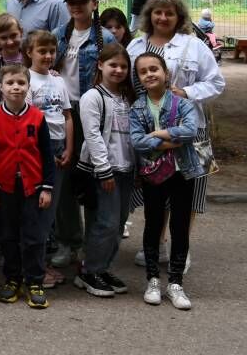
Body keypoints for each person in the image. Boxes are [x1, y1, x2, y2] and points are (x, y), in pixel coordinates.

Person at [125, 0, 224, 269]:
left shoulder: (194, 45)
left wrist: (187, 91)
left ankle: (183, 246)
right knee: (155, 187)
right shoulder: (135, 46)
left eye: (169, 13)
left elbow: (216, 83)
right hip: (151, 130)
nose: (163, 17)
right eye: (158, 12)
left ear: (179, 17)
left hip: (191, 130)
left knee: (189, 192)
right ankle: (158, 244)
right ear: (149, 15)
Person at [129, 51, 206, 311]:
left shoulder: (182, 103)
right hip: (153, 174)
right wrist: (170, 142)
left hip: (183, 171)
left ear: (165, 73)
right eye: (143, 71)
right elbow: (137, 141)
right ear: (139, 78)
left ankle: (175, 282)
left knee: (180, 224)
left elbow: (190, 130)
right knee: (153, 223)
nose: (150, 74)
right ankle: (152, 279)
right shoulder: (138, 107)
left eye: (154, 68)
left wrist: (158, 134)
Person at [50, 0, 115, 274]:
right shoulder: (59, 35)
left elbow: (117, 73)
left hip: (93, 110)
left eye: (82, 2)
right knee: (63, 177)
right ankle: (68, 240)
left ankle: (92, 242)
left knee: (90, 178)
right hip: (63, 113)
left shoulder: (106, 38)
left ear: (94, 4)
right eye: (71, 2)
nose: (76, 7)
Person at [0, 63, 54, 310]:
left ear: (28, 87)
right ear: (1, 87)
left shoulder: (37, 117)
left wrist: (47, 187)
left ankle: (35, 281)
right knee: (7, 236)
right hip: (4, 188)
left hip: (33, 187)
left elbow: (46, 154)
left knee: (34, 237)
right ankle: (12, 279)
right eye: (10, 83)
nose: (16, 87)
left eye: (21, 83)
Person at [74, 44, 136, 300]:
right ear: (100, 65)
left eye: (123, 66)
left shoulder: (128, 98)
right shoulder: (93, 97)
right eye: (113, 65)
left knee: (119, 223)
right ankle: (90, 270)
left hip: (126, 169)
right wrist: (104, 170)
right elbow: (93, 136)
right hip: (103, 171)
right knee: (105, 223)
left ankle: (103, 267)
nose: (118, 70)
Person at [23, 30, 73, 289]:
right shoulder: (26, 80)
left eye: (51, 51)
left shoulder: (58, 80)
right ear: (29, 52)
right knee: (38, 210)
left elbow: (66, 116)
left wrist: (69, 148)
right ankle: (34, 266)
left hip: (58, 147)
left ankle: (41, 261)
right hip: (37, 150)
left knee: (50, 211)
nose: (47, 56)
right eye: (42, 51)